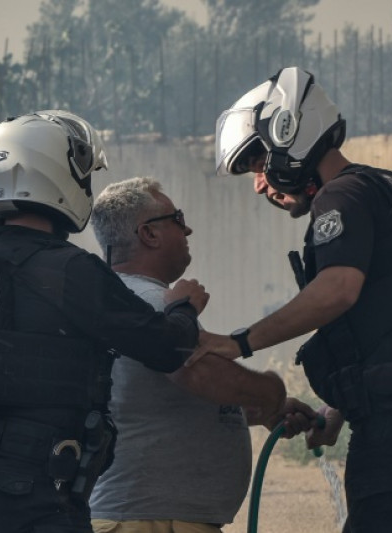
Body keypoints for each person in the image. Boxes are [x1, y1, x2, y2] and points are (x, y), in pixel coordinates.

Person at [195, 66, 392, 532]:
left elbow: (337, 289)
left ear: (287, 133)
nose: (259, 184)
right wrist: (338, 409)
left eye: (257, 165)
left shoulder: (341, 198)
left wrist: (238, 343)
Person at [0, 111, 209, 533]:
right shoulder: (69, 269)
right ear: (56, 174)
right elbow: (166, 348)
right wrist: (184, 307)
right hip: (33, 489)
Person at [86, 177, 289, 533]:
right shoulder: (152, 304)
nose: (188, 229)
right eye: (177, 219)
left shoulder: (125, 301)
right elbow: (198, 374)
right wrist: (273, 392)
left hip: (147, 518)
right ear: (149, 233)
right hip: (151, 522)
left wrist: (259, 411)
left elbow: (161, 400)